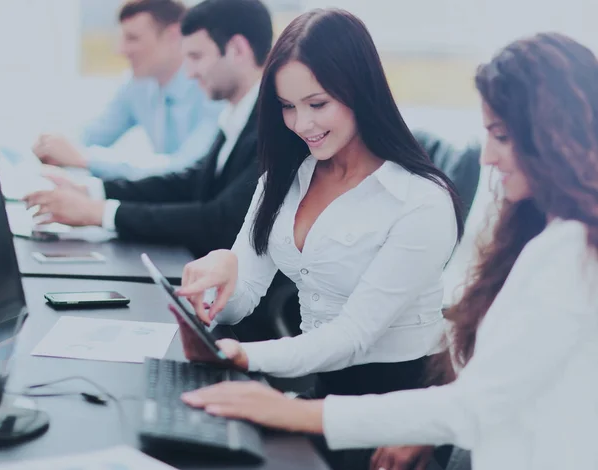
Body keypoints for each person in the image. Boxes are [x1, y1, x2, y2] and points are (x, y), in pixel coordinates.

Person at [179, 32, 598, 470]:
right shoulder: (539, 233)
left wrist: (265, 382)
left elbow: (471, 398)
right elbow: (499, 375)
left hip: (402, 408)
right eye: (287, 106)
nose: (487, 156)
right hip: (347, 397)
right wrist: (224, 270)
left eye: (502, 136)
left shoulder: (562, 249)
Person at [173, 8, 462, 470]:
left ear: (359, 92)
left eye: (317, 104)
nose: (301, 123)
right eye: (287, 107)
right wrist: (214, 287)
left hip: (396, 415)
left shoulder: (421, 202)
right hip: (320, 389)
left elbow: (352, 336)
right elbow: (242, 296)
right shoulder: (283, 179)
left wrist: (243, 355)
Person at [23, 0, 273, 261]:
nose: (188, 73)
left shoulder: (270, 126)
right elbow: (190, 183)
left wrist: (100, 213)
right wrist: (95, 192)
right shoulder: (236, 114)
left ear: (237, 49)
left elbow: (219, 220)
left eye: (196, 57)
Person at [32, 0, 221, 180]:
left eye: (132, 38)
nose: (120, 50)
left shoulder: (212, 87)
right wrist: (53, 145)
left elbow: (185, 169)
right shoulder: (138, 85)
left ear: (173, 36)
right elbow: (95, 132)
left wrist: (86, 159)